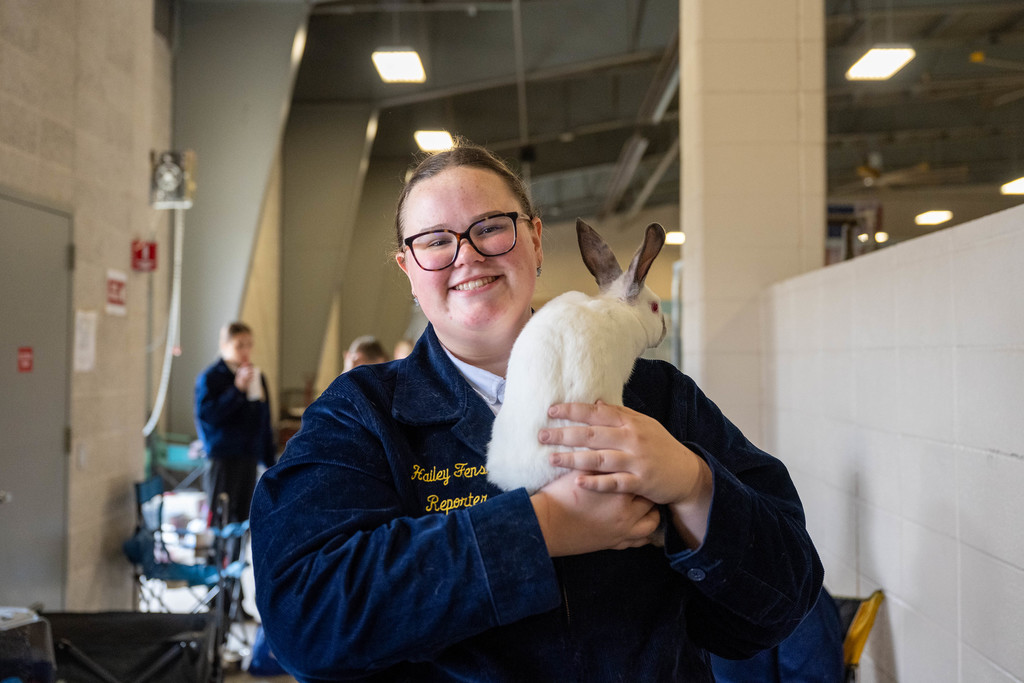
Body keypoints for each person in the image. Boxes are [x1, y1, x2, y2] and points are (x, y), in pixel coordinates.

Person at [250, 141, 823, 681]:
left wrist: (693, 483)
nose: (468, 255)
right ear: (408, 269)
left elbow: (786, 598)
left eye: (491, 227)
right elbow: (303, 618)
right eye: (435, 241)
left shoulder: (661, 398)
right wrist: (541, 527)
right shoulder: (362, 416)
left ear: (536, 240)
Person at [194, 322, 276, 534]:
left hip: (249, 455)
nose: (246, 351)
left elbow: (264, 421)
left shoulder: (257, 376)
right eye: (240, 345)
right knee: (221, 519)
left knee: (245, 519)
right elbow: (208, 417)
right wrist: (237, 390)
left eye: (249, 345)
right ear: (224, 346)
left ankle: (237, 554)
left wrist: (269, 461)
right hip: (223, 457)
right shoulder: (211, 377)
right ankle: (217, 554)